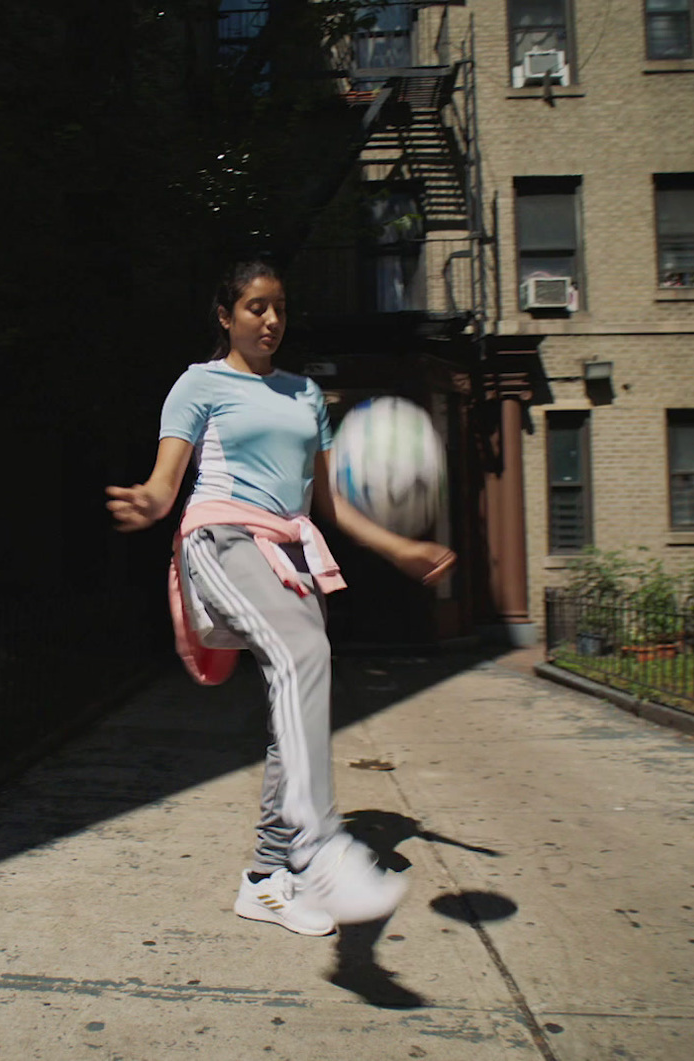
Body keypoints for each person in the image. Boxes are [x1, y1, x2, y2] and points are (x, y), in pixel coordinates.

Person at [105, 260, 455, 936]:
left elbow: (331, 505)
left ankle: (267, 876)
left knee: (295, 701)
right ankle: (319, 843)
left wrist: (400, 547)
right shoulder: (199, 383)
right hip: (221, 537)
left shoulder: (304, 395)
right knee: (305, 652)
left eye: (280, 309)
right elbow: (166, 479)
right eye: (256, 307)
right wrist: (148, 501)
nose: (270, 320)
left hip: (289, 555)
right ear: (226, 315)